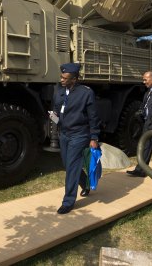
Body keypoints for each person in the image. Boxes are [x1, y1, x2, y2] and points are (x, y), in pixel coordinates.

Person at [52, 63, 101, 214]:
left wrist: (94, 137)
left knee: (72, 167)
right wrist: (53, 119)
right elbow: (56, 109)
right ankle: (85, 184)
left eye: (65, 78)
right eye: (61, 77)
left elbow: (93, 117)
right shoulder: (59, 90)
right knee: (68, 164)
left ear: (74, 79)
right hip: (64, 134)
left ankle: (68, 202)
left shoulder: (86, 93)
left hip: (79, 134)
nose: (61, 80)